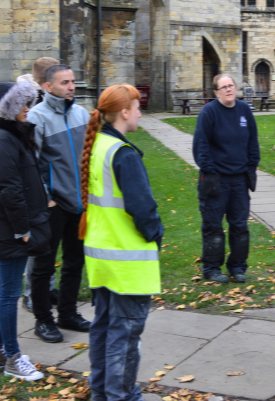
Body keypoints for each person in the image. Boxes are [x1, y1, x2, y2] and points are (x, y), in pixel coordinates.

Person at [80, 84, 164, 401]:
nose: (141, 112)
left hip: (101, 258)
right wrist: (157, 233)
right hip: (127, 262)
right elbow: (143, 211)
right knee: (125, 335)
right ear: (124, 112)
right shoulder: (123, 154)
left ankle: (101, 392)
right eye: (137, 106)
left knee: (103, 328)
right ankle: (122, 395)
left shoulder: (97, 144)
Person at [0, 80, 47, 381]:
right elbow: (9, 190)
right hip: (11, 229)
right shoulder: (1, 141)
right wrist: (23, 229)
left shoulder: (9, 136)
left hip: (9, 228)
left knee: (0, 289)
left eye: (29, 103)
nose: (27, 109)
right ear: (6, 108)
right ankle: (11, 358)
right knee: (8, 294)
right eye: (22, 104)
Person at [28, 64, 91, 342]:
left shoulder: (81, 114)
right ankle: (43, 320)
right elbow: (29, 164)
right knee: (43, 266)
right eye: (64, 82)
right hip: (54, 207)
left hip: (80, 205)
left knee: (74, 262)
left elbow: (90, 155)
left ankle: (68, 314)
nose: (71, 87)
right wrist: (46, 197)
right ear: (47, 86)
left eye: (72, 82)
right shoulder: (36, 117)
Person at [192, 74, 260, 283]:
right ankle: (212, 268)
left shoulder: (244, 111)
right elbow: (200, 147)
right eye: (224, 87)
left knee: (240, 226)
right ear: (216, 92)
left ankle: (238, 266)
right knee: (213, 226)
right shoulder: (209, 113)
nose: (229, 89)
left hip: (239, 180)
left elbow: (253, 142)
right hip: (215, 180)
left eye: (231, 85)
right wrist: (210, 172)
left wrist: (250, 167)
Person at [20, 57, 59, 312]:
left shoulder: (47, 103)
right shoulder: (32, 110)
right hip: (39, 190)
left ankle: (48, 287)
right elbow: (31, 157)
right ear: (47, 82)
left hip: (56, 188)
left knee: (49, 244)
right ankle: (31, 293)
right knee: (38, 245)